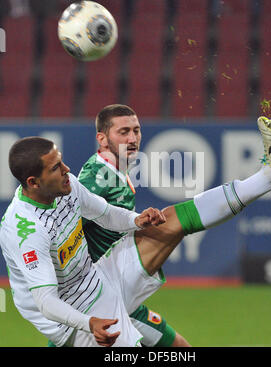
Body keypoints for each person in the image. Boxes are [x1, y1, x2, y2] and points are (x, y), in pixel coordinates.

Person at [0, 115, 271, 347]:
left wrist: (135, 220)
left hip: (98, 275)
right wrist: (89, 322)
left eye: (62, 161)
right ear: (32, 183)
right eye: (55, 168)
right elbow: (46, 302)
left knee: (170, 221)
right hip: (74, 318)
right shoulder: (25, 230)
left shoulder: (66, 185)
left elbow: (104, 213)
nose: (66, 170)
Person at [77, 104, 190, 347]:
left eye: (136, 131)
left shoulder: (115, 170)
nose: (133, 139)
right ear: (102, 138)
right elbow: (68, 226)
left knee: (179, 347)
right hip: (95, 298)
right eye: (124, 131)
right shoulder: (96, 178)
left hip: (121, 294)